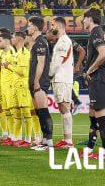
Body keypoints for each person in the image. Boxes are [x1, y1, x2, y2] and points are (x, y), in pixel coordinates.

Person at [82, 8, 105, 157]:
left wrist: (89, 70)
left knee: (100, 113)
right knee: (93, 113)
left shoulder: (96, 32)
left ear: (89, 18)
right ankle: (89, 148)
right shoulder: (99, 32)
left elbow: (104, 55)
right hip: (98, 77)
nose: (82, 21)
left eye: (84, 18)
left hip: (99, 77)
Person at [27, 16, 53, 150]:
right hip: (33, 82)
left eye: (29, 25)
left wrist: (36, 81)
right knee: (39, 112)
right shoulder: (36, 42)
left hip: (40, 82)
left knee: (43, 111)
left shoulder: (41, 42)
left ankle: (48, 142)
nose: (27, 28)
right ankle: (44, 140)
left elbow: (41, 64)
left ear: (35, 27)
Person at [48, 17, 75, 148]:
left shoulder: (63, 41)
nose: (51, 27)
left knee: (64, 107)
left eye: (52, 25)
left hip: (62, 78)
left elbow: (57, 63)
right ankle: (66, 139)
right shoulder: (62, 41)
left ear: (59, 26)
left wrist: (47, 75)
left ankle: (68, 140)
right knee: (63, 108)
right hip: (61, 78)